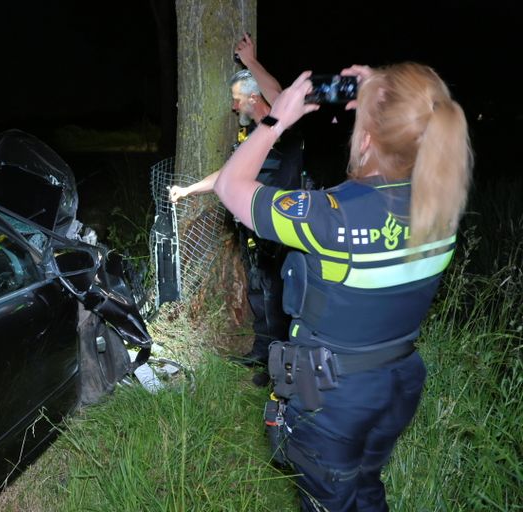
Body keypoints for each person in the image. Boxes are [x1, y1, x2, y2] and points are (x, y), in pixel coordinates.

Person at [213, 63, 472, 510]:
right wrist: (384, 96)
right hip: (396, 384)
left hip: (332, 398)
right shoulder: (442, 211)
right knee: (365, 483)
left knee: (327, 498)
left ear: (367, 137)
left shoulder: (330, 217)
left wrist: (278, 119)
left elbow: (229, 185)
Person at [169, 33, 303, 373]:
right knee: (259, 293)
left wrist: (251, 62)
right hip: (255, 231)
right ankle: (262, 352)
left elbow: (280, 96)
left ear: (253, 98)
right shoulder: (252, 140)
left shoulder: (280, 129)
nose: (232, 107)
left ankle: (279, 364)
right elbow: (227, 175)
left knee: (279, 296)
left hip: (281, 232)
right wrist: (188, 190)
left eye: (236, 99)